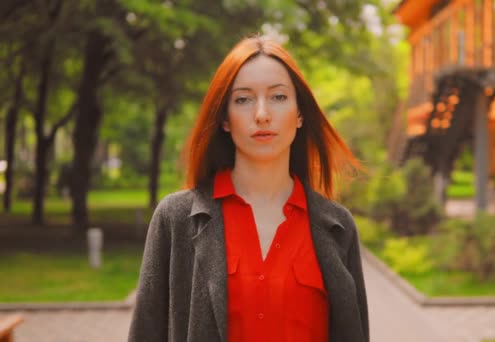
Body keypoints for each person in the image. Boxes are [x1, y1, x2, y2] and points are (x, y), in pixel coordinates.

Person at [128, 34, 368, 342]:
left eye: (278, 97)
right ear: (225, 119)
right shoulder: (175, 218)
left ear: (299, 114)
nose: (262, 114)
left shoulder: (337, 226)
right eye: (243, 99)